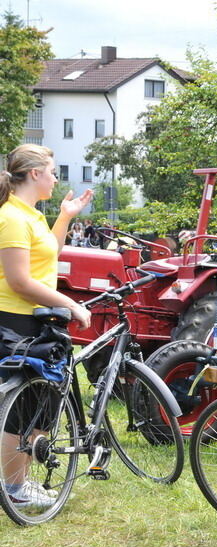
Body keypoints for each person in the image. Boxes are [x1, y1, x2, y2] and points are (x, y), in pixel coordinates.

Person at [0, 144, 92, 508]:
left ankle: (21, 482)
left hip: (39, 318)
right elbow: (20, 280)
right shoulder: (11, 218)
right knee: (21, 409)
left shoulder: (32, 215)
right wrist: (69, 303)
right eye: (52, 171)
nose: (56, 178)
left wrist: (65, 217)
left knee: (42, 402)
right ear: (35, 174)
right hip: (17, 320)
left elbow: (48, 255)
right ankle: (14, 487)